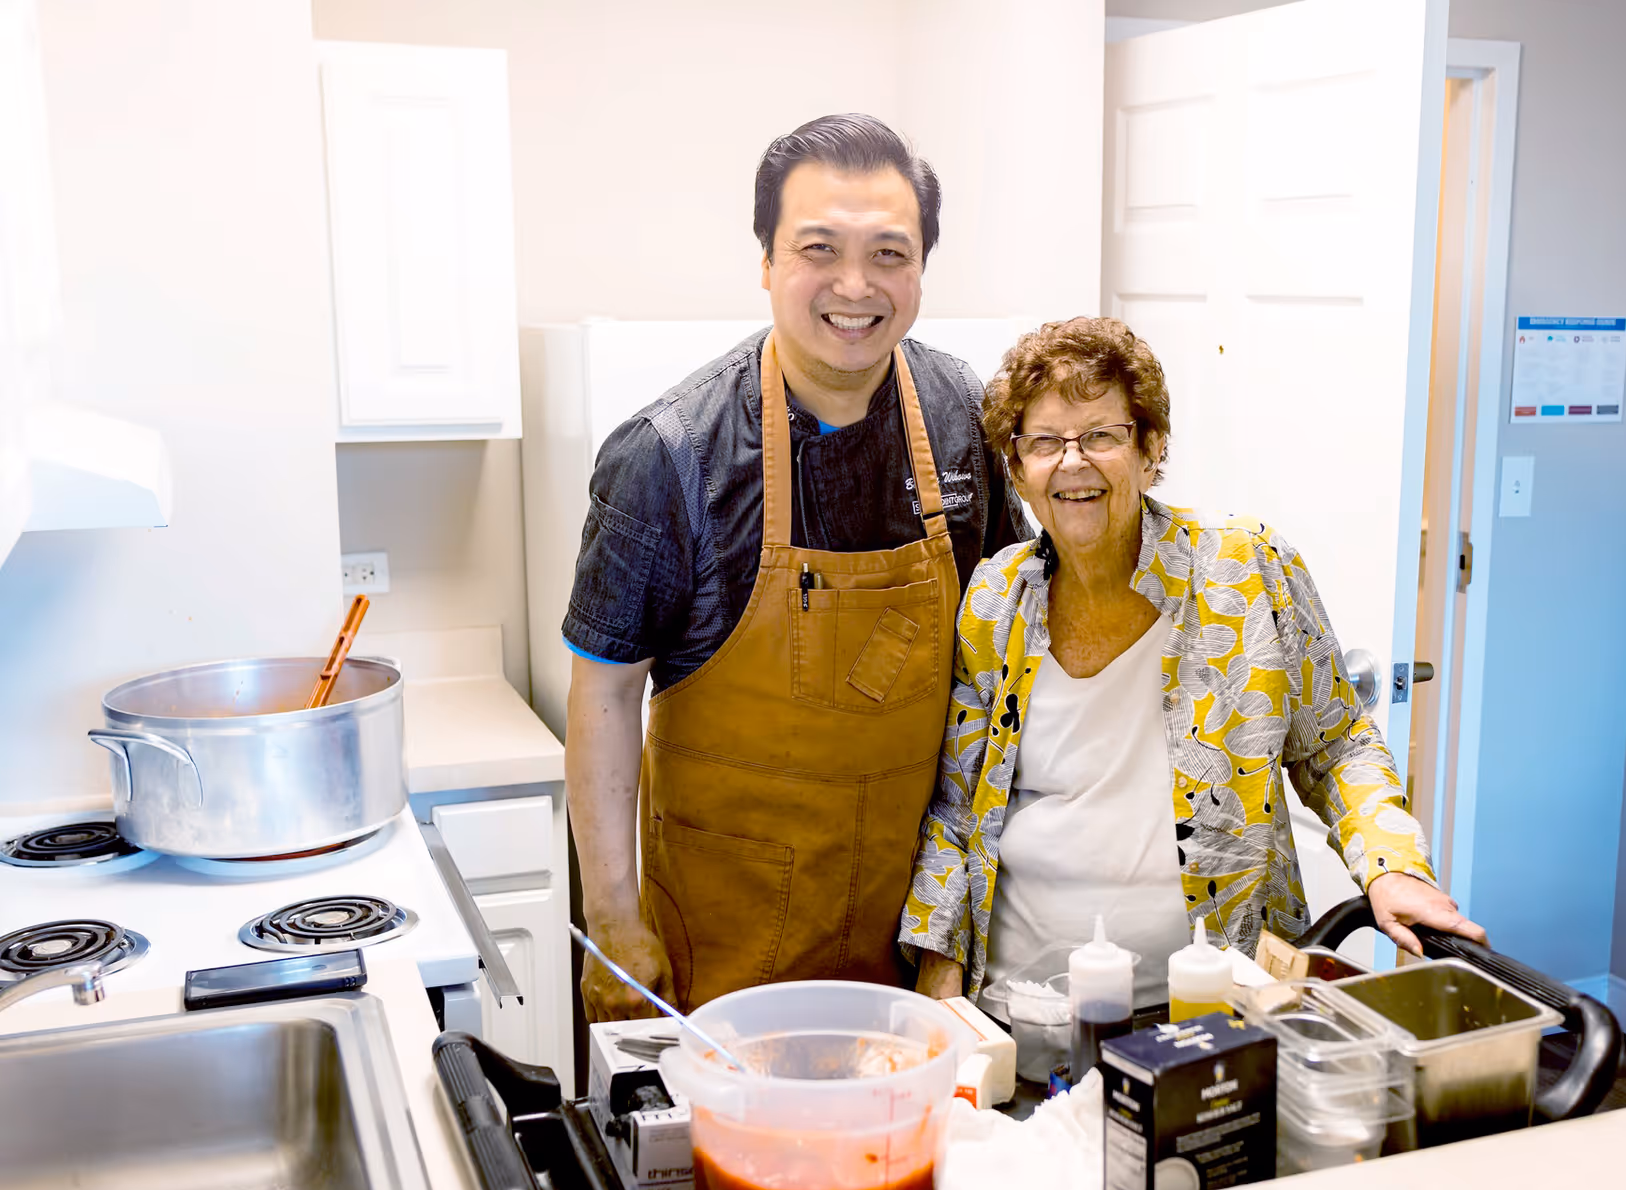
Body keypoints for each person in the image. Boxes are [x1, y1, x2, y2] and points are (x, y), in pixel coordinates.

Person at [565, 115, 1028, 1018]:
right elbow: (606, 694)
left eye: (889, 254)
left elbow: (1013, 654)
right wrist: (614, 924)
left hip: (915, 940)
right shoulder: (671, 454)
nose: (855, 286)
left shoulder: (965, 416)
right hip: (720, 952)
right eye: (820, 248)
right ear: (768, 261)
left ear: (921, 269)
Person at [902, 318, 1483, 1005]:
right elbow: (957, 806)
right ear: (1019, 470)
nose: (1072, 462)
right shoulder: (997, 597)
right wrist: (938, 963)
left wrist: (1393, 866)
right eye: (1046, 442)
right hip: (1021, 1004)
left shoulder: (1246, 569)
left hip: (1212, 1007)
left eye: (1101, 436)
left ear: (1150, 451)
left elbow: (1340, 745)